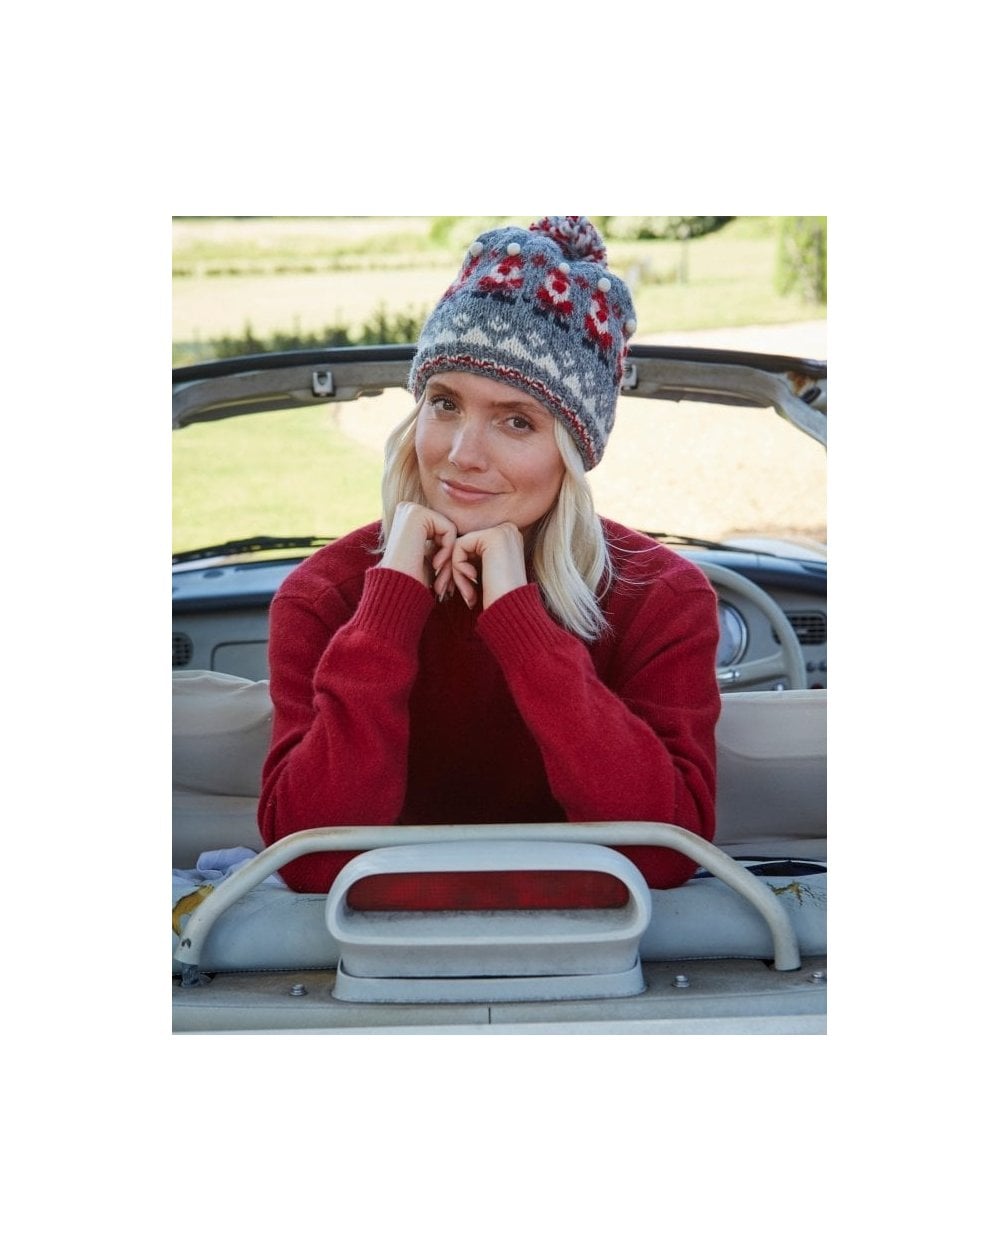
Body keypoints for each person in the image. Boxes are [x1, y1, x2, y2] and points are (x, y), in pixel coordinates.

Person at [258, 216, 721, 904]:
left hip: (598, 957)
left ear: (574, 451)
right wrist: (388, 607)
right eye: (444, 403)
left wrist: (519, 620)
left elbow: (665, 850)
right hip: (375, 959)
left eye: (517, 421)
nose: (462, 453)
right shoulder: (323, 596)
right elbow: (306, 857)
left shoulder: (661, 596)